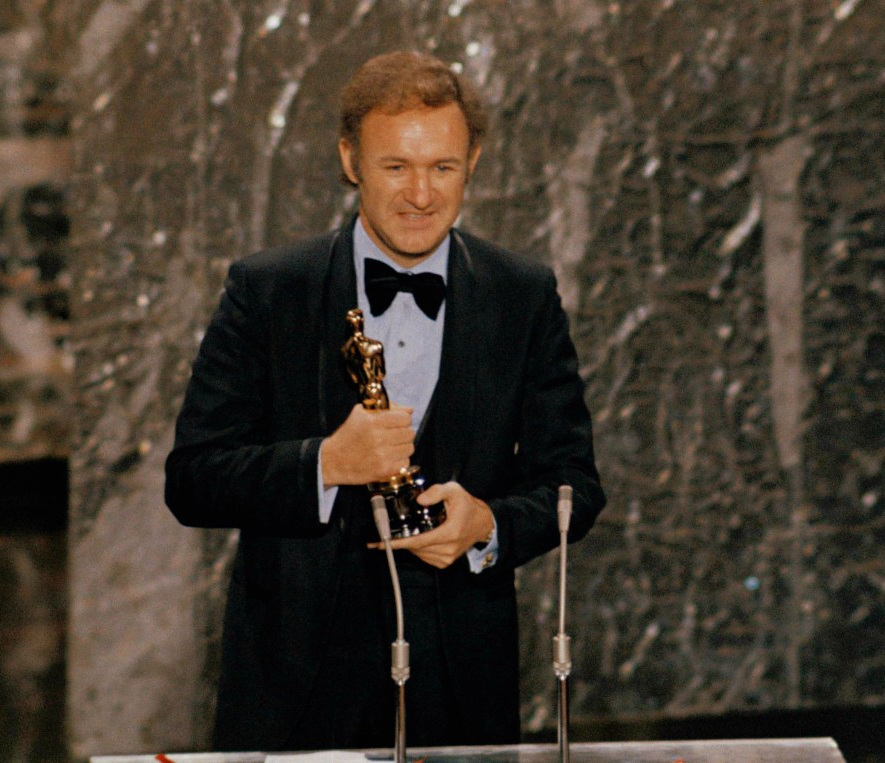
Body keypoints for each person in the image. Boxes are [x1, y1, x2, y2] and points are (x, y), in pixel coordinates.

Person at [165, 50, 605, 752]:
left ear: (475, 161)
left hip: (463, 691)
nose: (420, 195)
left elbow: (574, 485)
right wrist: (325, 463)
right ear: (350, 161)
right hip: (293, 691)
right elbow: (191, 479)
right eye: (396, 166)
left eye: (442, 167)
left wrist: (488, 524)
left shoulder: (523, 294)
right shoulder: (266, 290)